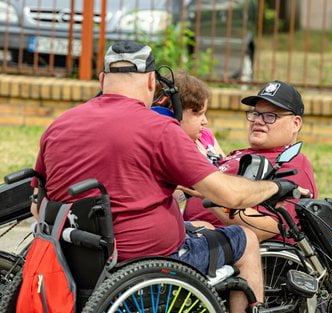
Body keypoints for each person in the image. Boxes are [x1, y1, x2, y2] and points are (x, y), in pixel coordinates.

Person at [29, 41, 310, 312]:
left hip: (76, 262)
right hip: (152, 264)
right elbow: (231, 195)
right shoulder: (158, 129)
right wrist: (275, 186)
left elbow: (36, 205)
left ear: (102, 79)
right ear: (152, 81)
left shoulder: (58, 127)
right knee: (244, 239)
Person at [184, 80, 318, 242]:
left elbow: (265, 228)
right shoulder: (239, 154)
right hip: (189, 229)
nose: (258, 121)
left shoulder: (292, 162)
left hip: (218, 244)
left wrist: (210, 195)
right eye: (255, 114)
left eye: (270, 116)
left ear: (295, 124)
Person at [151, 70, 225, 161]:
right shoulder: (169, 148)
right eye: (198, 114)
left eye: (204, 113)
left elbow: (226, 167)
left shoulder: (206, 135)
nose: (205, 122)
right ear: (170, 114)